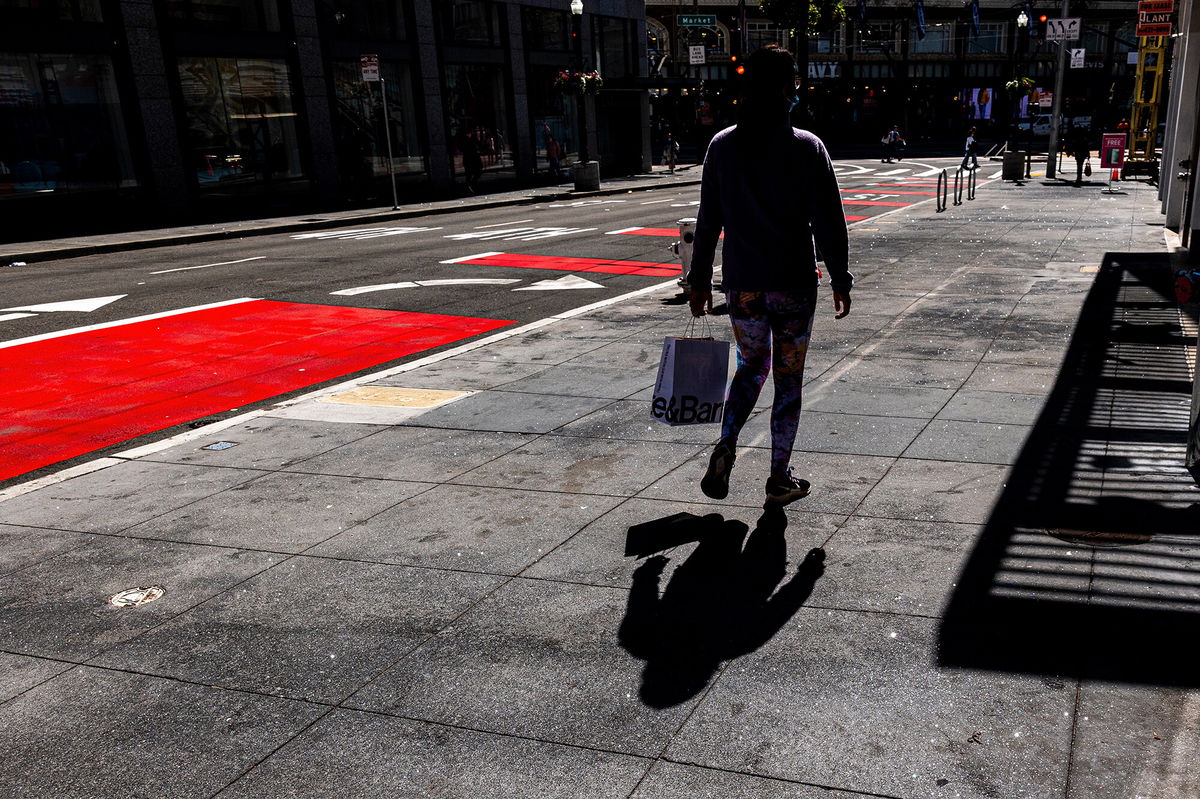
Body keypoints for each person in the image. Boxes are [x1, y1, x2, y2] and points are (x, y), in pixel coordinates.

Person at [688, 44, 853, 507]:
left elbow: (708, 221)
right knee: (788, 378)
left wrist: (699, 281)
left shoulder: (722, 146)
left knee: (751, 365)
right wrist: (840, 276)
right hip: (794, 283)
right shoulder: (807, 146)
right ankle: (779, 476)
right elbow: (828, 219)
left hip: (742, 283)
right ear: (787, 87)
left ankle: (726, 443)